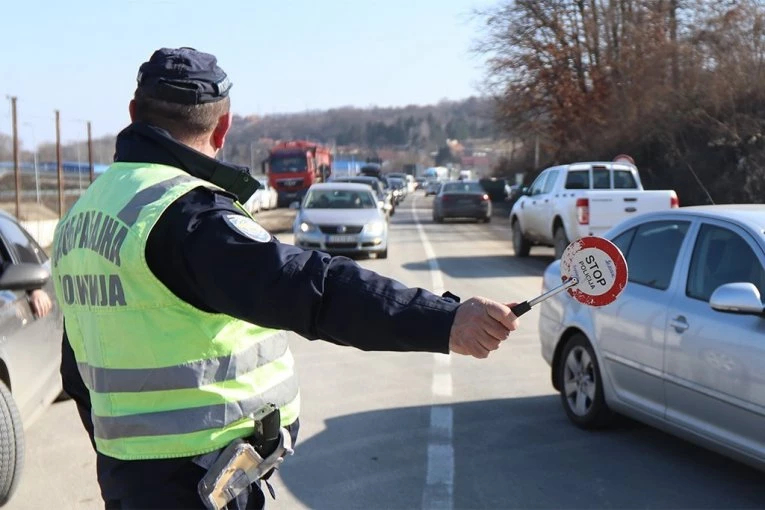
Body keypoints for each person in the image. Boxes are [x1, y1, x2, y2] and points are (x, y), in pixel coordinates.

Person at [51, 47, 520, 510]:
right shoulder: (186, 215)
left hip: (127, 474)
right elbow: (314, 290)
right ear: (223, 125)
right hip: (194, 480)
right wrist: (444, 320)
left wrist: (123, 455)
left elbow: (78, 366)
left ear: (133, 114)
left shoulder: (83, 216)